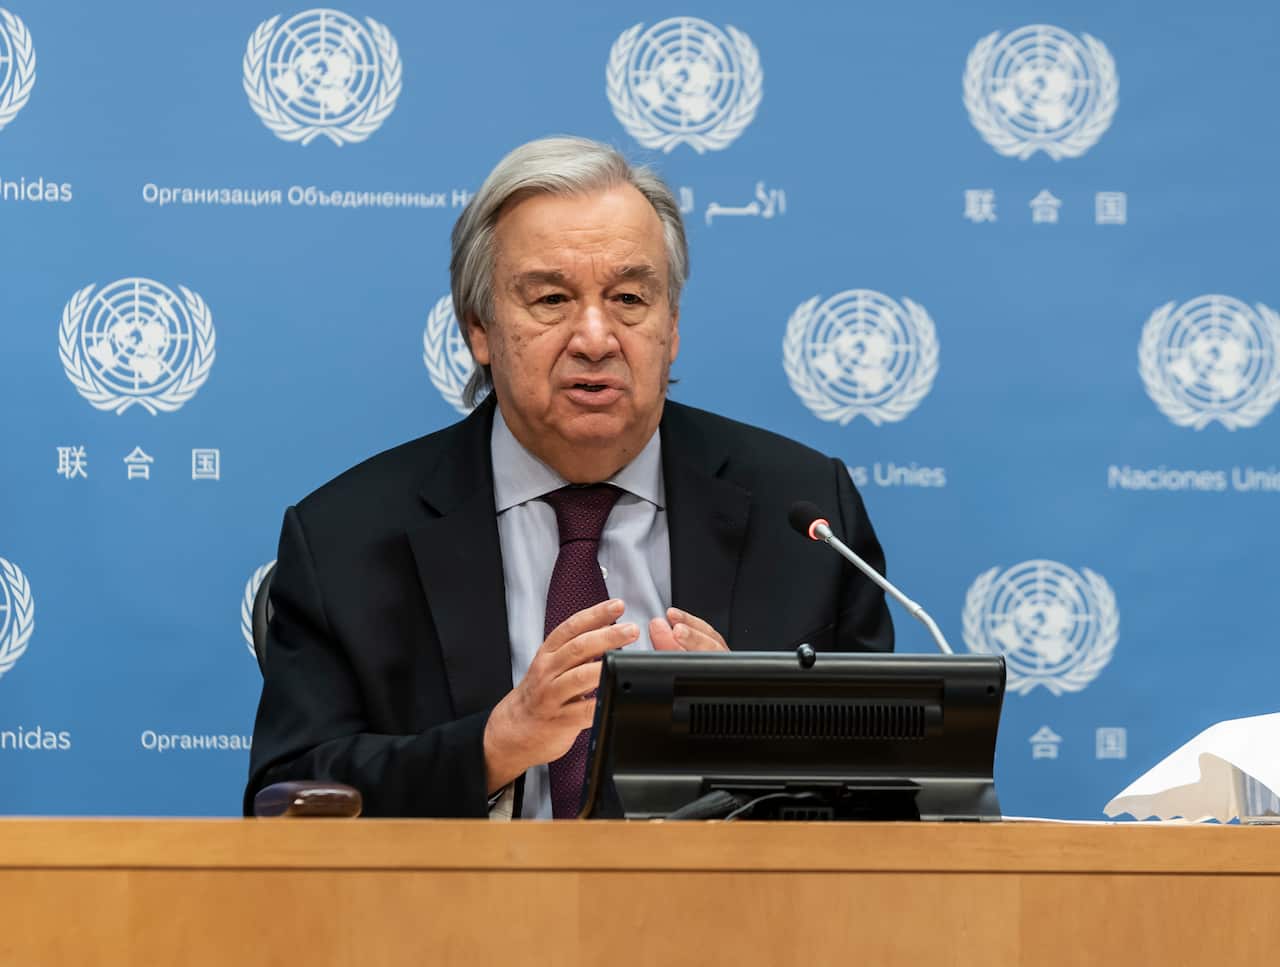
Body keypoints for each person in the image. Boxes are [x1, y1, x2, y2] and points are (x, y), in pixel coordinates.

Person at [245, 136, 893, 819]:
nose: (595, 336)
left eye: (630, 299)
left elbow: (890, 796)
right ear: (479, 330)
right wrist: (494, 745)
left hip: (727, 918)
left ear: (671, 326)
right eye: (551, 298)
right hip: (453, 919)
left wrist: (753, 732)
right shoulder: (347, 538)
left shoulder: (806, 517)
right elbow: (285, 798)